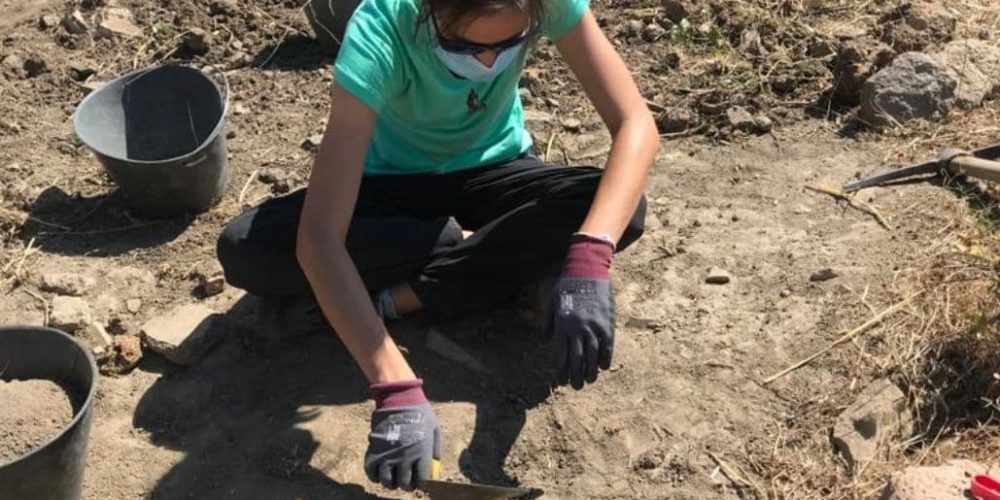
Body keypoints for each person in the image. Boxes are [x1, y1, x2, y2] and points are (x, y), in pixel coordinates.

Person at [216, 0, 658, 491]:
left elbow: (635, 125)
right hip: (389, 187)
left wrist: (591, 254)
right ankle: (495, 266)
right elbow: (320, 237)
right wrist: (395, 386)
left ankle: (406, 294)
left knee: (621, 208)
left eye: (508, 44)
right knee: (243, 248)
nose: (487, 62)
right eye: (463, 45)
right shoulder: (380, 32)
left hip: (496, 170)